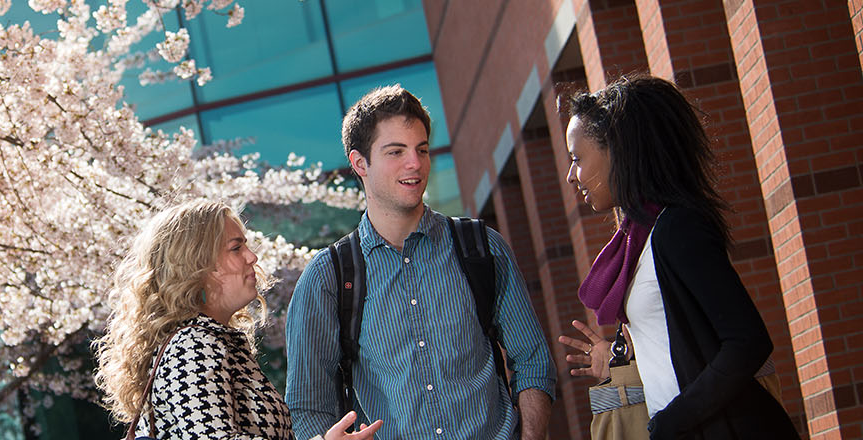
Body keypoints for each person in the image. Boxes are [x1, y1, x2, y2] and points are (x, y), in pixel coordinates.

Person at [285, 85, 556, 440]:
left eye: (422, 149)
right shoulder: (329, 277)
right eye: (396, 151)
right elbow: (309, 406)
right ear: (359, 163)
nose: (415, 163)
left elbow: (533, 360)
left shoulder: (480, 248)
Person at [555, 75, 799, 439]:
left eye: (577, 158)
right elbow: (676, 339)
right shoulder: (640, 240)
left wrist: (673, 420)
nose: (571, 175)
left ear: (618, 150)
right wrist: (621, 354)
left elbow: (747, 341)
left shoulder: (677, 228)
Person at [94, 200, 383, 440]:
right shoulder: (193, 345)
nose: (252, 257)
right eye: (236, 248)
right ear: (198, 265)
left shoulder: (210, 341)